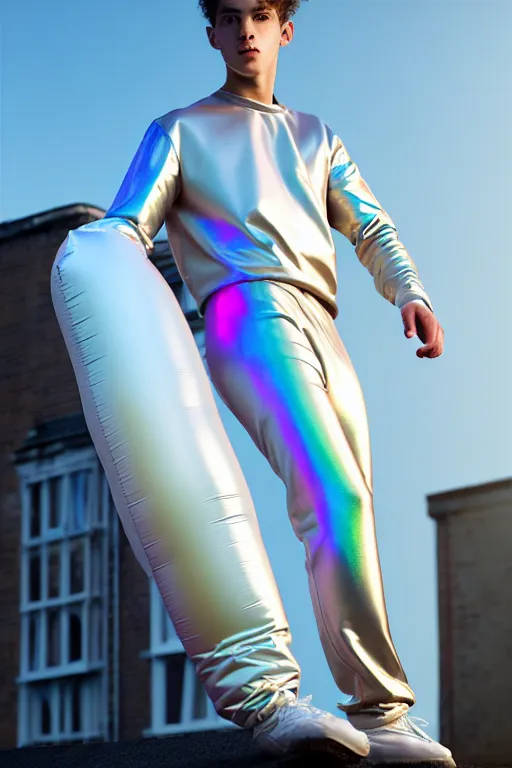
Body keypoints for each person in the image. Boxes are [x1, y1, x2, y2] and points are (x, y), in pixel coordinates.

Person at [50, 0, 454, 764]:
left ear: (284, 27)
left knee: (352, 509)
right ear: (211, 32)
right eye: (230, 16)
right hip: (245, 312)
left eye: (260, 14)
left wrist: (410, 291)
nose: (245, 30)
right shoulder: (180, 129)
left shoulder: (316, 135)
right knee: (331, 493)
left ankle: (379, 715)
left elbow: (370, 225)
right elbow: (124, 229)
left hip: (323, 321)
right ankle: (293, 700)